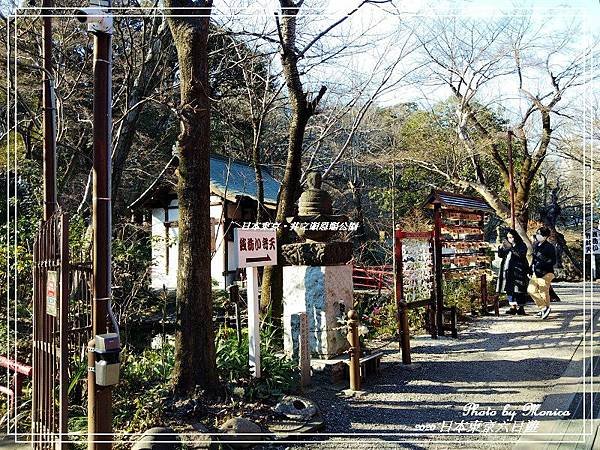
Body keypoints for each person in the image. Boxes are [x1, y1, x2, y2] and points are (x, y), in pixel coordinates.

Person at [496, 229, 531, 315]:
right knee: (509, 288)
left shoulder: (521, 245)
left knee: (519, 289)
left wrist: (511, 247)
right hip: (507, 269)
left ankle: (521, 307)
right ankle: (512, 307)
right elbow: (501, 255)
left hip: (518, 270)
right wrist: (501, 248)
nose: (510, 239)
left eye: (511, 237)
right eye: (508, 237)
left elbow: (520, 255)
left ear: (515, 237)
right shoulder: (507, 245)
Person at [527, 227, 557, 320]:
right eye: (537, 233)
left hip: (546, 272)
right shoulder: (536, 244)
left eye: (540, 234)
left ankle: (544, 309)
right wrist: (530, 269)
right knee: (530, 290)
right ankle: (544, 308)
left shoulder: (550, 247)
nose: (538, 235)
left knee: (543, 292)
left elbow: (553, 261)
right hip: (536, 272)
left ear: (545, 236)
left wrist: (542, 263)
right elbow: (533, 258)